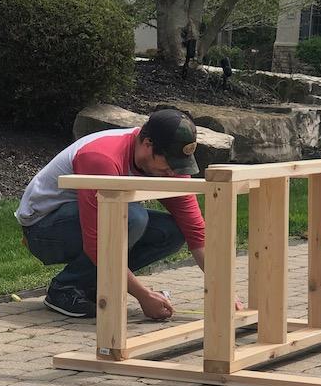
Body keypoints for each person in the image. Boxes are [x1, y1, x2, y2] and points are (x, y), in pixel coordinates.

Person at [16, 108, 208, 320]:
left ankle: (94, 285)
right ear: (147, 144)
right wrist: (143, 295)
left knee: (171, 232)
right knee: (131, 217)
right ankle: (65, 288)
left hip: (91, 223)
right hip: (43, 229)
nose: (173, 172)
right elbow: (98, 244)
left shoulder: (170, 168)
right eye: (170, 163)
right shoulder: (101, 158)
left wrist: (225, 294)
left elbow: (196, 233)